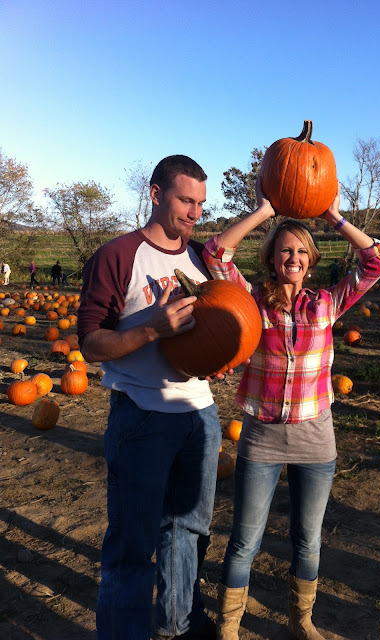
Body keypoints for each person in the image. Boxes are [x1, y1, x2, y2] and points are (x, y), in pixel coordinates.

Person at [202, 181, 380, 640]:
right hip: (262, 438)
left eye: (302, 252)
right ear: (271, 258)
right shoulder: (251, 301)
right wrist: (264, 212)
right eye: (285, 250)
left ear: (311, 260)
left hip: (315, 439)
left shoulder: (326, 303)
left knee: (307, 540)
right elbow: (215, 254)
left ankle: (301, 620)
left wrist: (333, 216)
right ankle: (229, 627)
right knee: (245, 540)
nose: (294, 258)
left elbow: (377, 261)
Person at [77, 155, 224, 640]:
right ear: (156, 194)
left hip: (199, 415)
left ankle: (177, 626)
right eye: (186, 200)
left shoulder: (202, 257)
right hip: (141, 417)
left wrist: (217, 357)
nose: (195, 213)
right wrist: (150, 331)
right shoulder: (118, 256)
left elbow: (213, 329)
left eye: (201, 203)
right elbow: (91, 344)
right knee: (132, 545)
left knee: (189, 534)